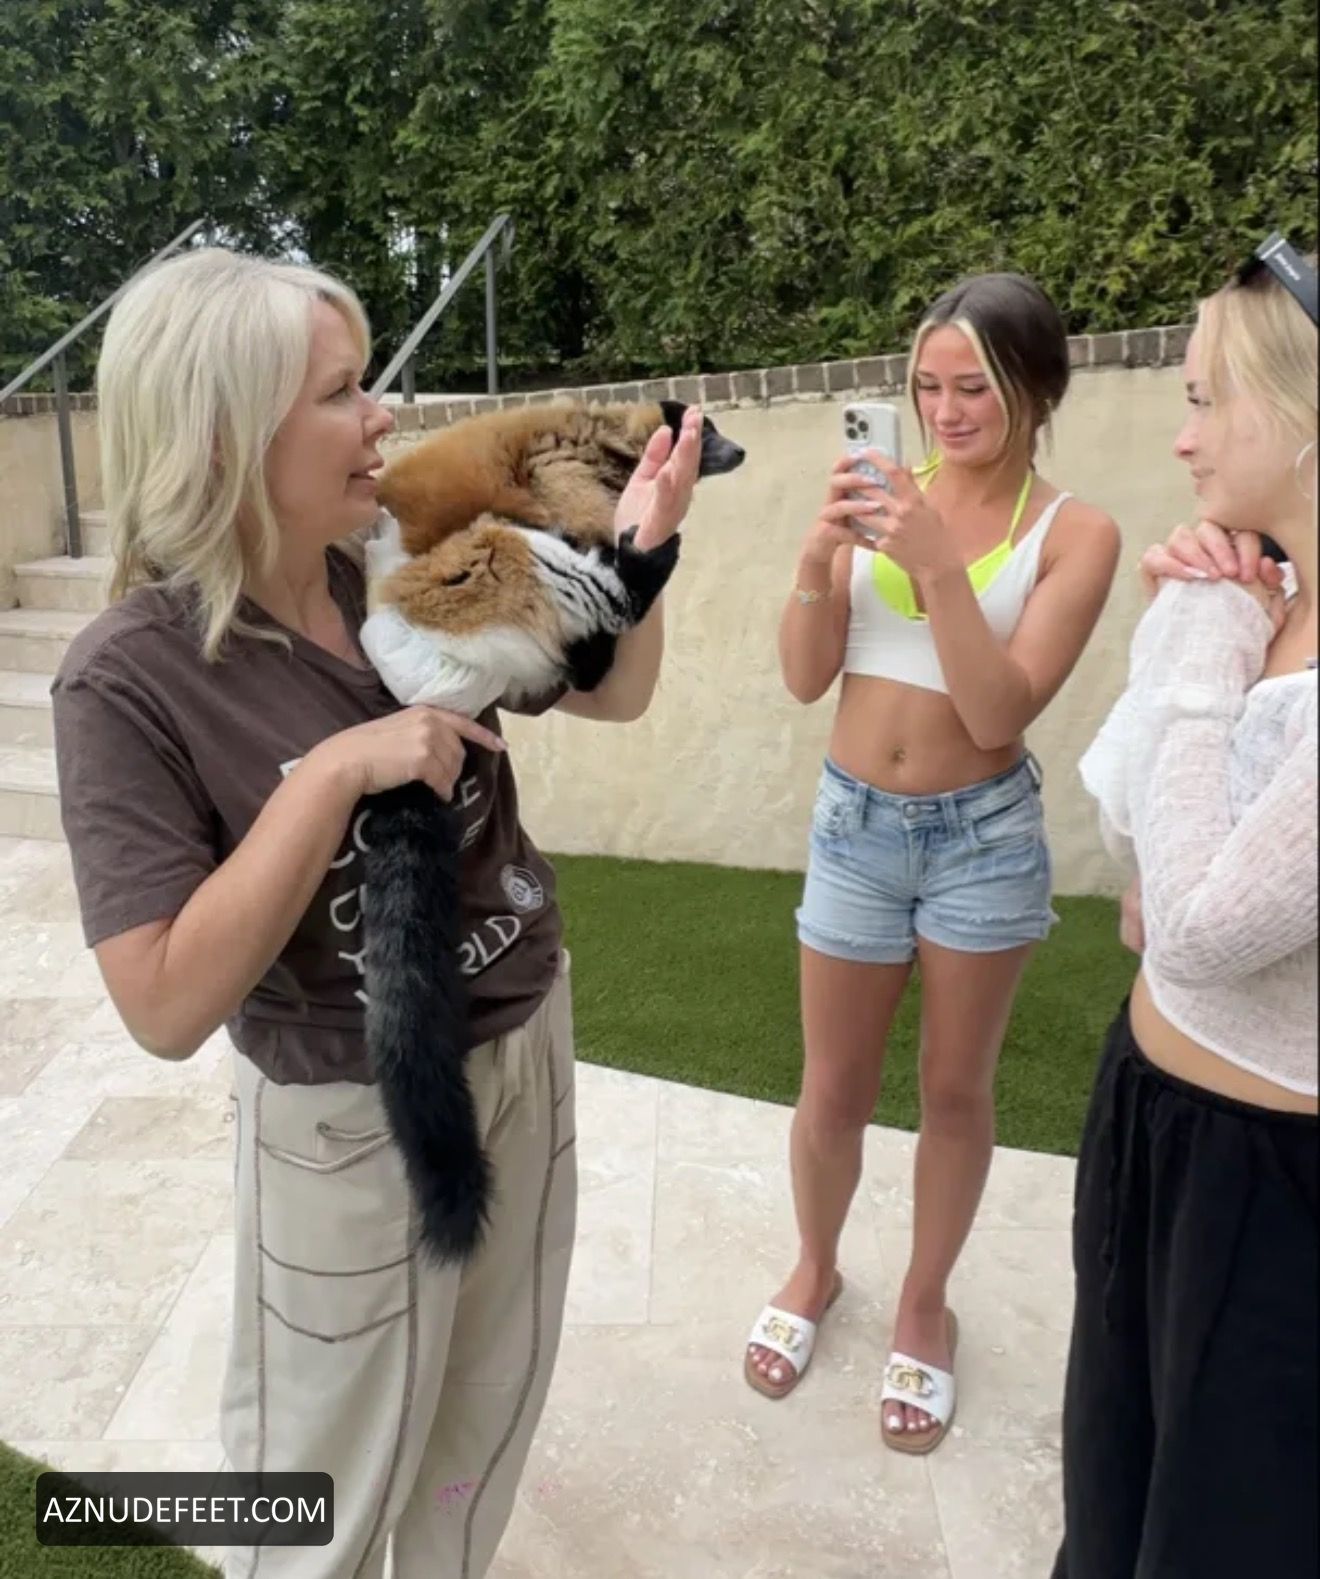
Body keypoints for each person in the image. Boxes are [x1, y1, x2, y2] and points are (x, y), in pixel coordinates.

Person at [50, 247, 702, 1578]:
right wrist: (336, 772)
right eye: (342, 390)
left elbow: (613, 692)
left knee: (482, 1418)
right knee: (318, 1486)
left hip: (521, 1036)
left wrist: (638, 555)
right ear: (227, 434)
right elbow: (163, 1002)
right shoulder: (129, 677)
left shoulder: (398, 556)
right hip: (346, 1113)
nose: (383, 414)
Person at [744, 273, 1121, 1453]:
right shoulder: (885, 496)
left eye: (975, 388)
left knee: (955, 1090)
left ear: (1037, 390)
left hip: (982, 838)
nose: (945, 412)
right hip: (854, 826)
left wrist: (939, 563)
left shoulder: (1078, 534)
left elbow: (999, 709)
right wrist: (820, 554)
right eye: (927, 387)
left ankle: (923, 1303)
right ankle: (815, 1268)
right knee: (832, 1087)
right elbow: (806, 675)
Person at [1054, 233, 1318, 1577]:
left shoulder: (1245, 625)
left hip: (1275, 1186)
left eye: (1209, 398)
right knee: (1110, 1487)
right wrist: (1189, 622)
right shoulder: (1259, 598)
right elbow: (1125, 823)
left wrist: (1204, 644)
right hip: (1148, 1111)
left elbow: (1201, 924)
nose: (1183, 437)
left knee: (1224, 1532)